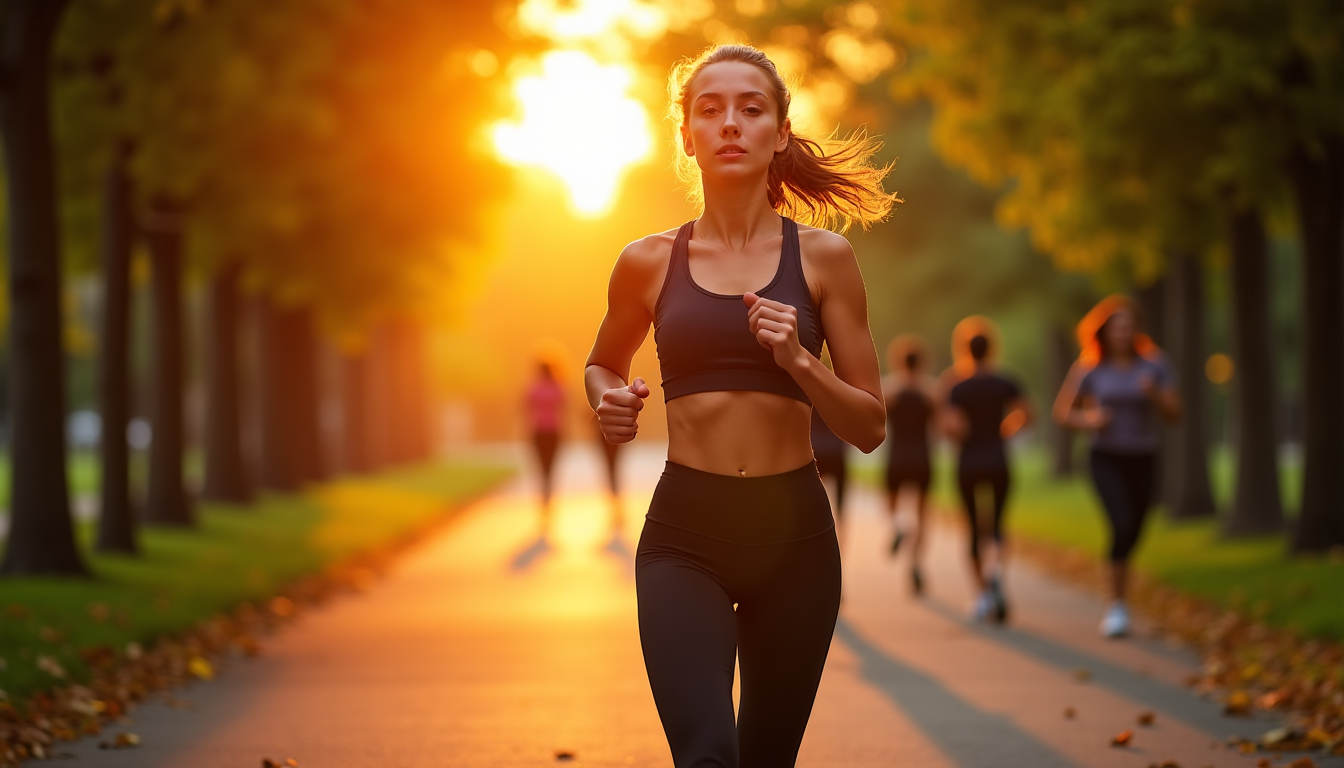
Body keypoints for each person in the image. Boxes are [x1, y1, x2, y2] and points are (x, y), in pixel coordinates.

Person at [584, 43, 894, 768]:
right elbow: (603, 363)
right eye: (710, 109)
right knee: (707, 756)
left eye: (751, 110)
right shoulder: (646, 261)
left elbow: (871, 427)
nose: (730, 124)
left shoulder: (823, 259)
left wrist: (796, 363)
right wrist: (610, 403)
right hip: (685, 536)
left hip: (795, 542)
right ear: (686, 134)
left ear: (779, 133)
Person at [1053, 295, 1179, 638]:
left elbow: (1174, 414)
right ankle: (1116, 607)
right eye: (1117, 328)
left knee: (1135, 529)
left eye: (1129, 327)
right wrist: (1090, 420)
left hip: (1143, 456)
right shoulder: (1090, 368)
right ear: (1105, 332)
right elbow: (1063, 413)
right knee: (1121, 525)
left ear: (1137, 330)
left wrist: (1153, 394)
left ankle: (1121, 595)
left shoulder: (1155, 365)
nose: (1123, 333)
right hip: (1104, 456)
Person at [943, 317, 1032, 624]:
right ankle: (996, 572)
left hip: (969, 461)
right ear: (991, 349)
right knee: (997, 524)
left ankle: (981, 594)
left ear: (965, 350)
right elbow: (1027, 413)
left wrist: (962, 433)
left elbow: (951, 427)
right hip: (998, 458)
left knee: (972, 527)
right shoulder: (1006, 381)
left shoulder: (956, 385)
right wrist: (1006, 429)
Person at [882, 334, 936, 595]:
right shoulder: (930, 392)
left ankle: (899, 527)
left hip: (897, 457)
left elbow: (877, 418)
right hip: (923, 457)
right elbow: (942, 425)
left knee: (892, 504)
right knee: (923, 515)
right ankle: (916, 562)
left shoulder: (890, 390)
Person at [524, 359, 564, 531]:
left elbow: (526, 409)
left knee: (541, 468)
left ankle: (545, 502)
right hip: (553, 432)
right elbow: (563, 409)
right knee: (550, 468)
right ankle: (548, 501)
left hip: (538, 432)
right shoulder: (557, 388)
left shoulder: (534, 389)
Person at [811, 408, 849, 529]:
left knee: (813, 493)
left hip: (817, 449)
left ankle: (813, 524)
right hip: (836, 449)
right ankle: (841, 526)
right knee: (840, 496)